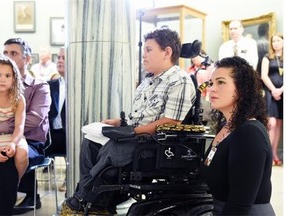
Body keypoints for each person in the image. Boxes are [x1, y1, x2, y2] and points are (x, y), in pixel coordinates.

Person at [61, 27, 196, 215]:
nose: (144, 55)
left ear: (167, 52)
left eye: (149, 50)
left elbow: (171, 122)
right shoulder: (146, 82)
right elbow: (135, 117)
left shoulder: (180, 80)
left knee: (115, 145)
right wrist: (116, 123)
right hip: (135, 135)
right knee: (90, 140)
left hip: (154, 142)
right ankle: (98, 202)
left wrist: (133, 132)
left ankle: (85, 197)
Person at [203, 56, 275, 215]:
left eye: (220, 82)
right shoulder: (228, 127)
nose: (212, 89)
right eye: (211, 83)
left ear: (242, 89)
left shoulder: (249, 133)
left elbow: (239, 205)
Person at [3, 38, 51, 214]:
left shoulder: (39, 86)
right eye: (5, 53)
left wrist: (4, 126)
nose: (7, 58)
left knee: (6, 156)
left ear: (28, 59)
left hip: (31, 142)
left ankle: (6, 205)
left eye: (13, 54)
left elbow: (35, 118)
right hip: (3, 138)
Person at [0, 55, 28, 181]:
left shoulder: (19, 99)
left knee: (22, 154)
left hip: (13, 136)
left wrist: (13, 143)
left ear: (14, 79)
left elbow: (19, 126)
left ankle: (15, 184)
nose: (2, 80)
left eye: (7, 76)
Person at [45, 47, 67, 192]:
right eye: (58, 57)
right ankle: (31, 194)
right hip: (51, 133)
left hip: (69, 133)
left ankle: (70, 178)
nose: (59, 60)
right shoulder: (49, 85)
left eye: (64, 58)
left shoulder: (78, 86)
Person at [261, 33, 283, 166]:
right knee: (272, 123)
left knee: (280, 124)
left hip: (283, 92)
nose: (275, 43)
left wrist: (281, 90)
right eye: (273, 41)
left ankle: (275, 153)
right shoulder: (267, 57)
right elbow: (264, 75)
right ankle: (269, 154)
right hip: (270, 92)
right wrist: (274, 90)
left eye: (278, 40)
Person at [186, 49, 214, 124]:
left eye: (195, 56)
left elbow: (210, 82)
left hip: (204, 97)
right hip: (191, 98)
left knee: (204, 118)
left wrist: (202, 89)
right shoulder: (189, 69)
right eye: (192, 56)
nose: (193, 58)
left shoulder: (210, 68)